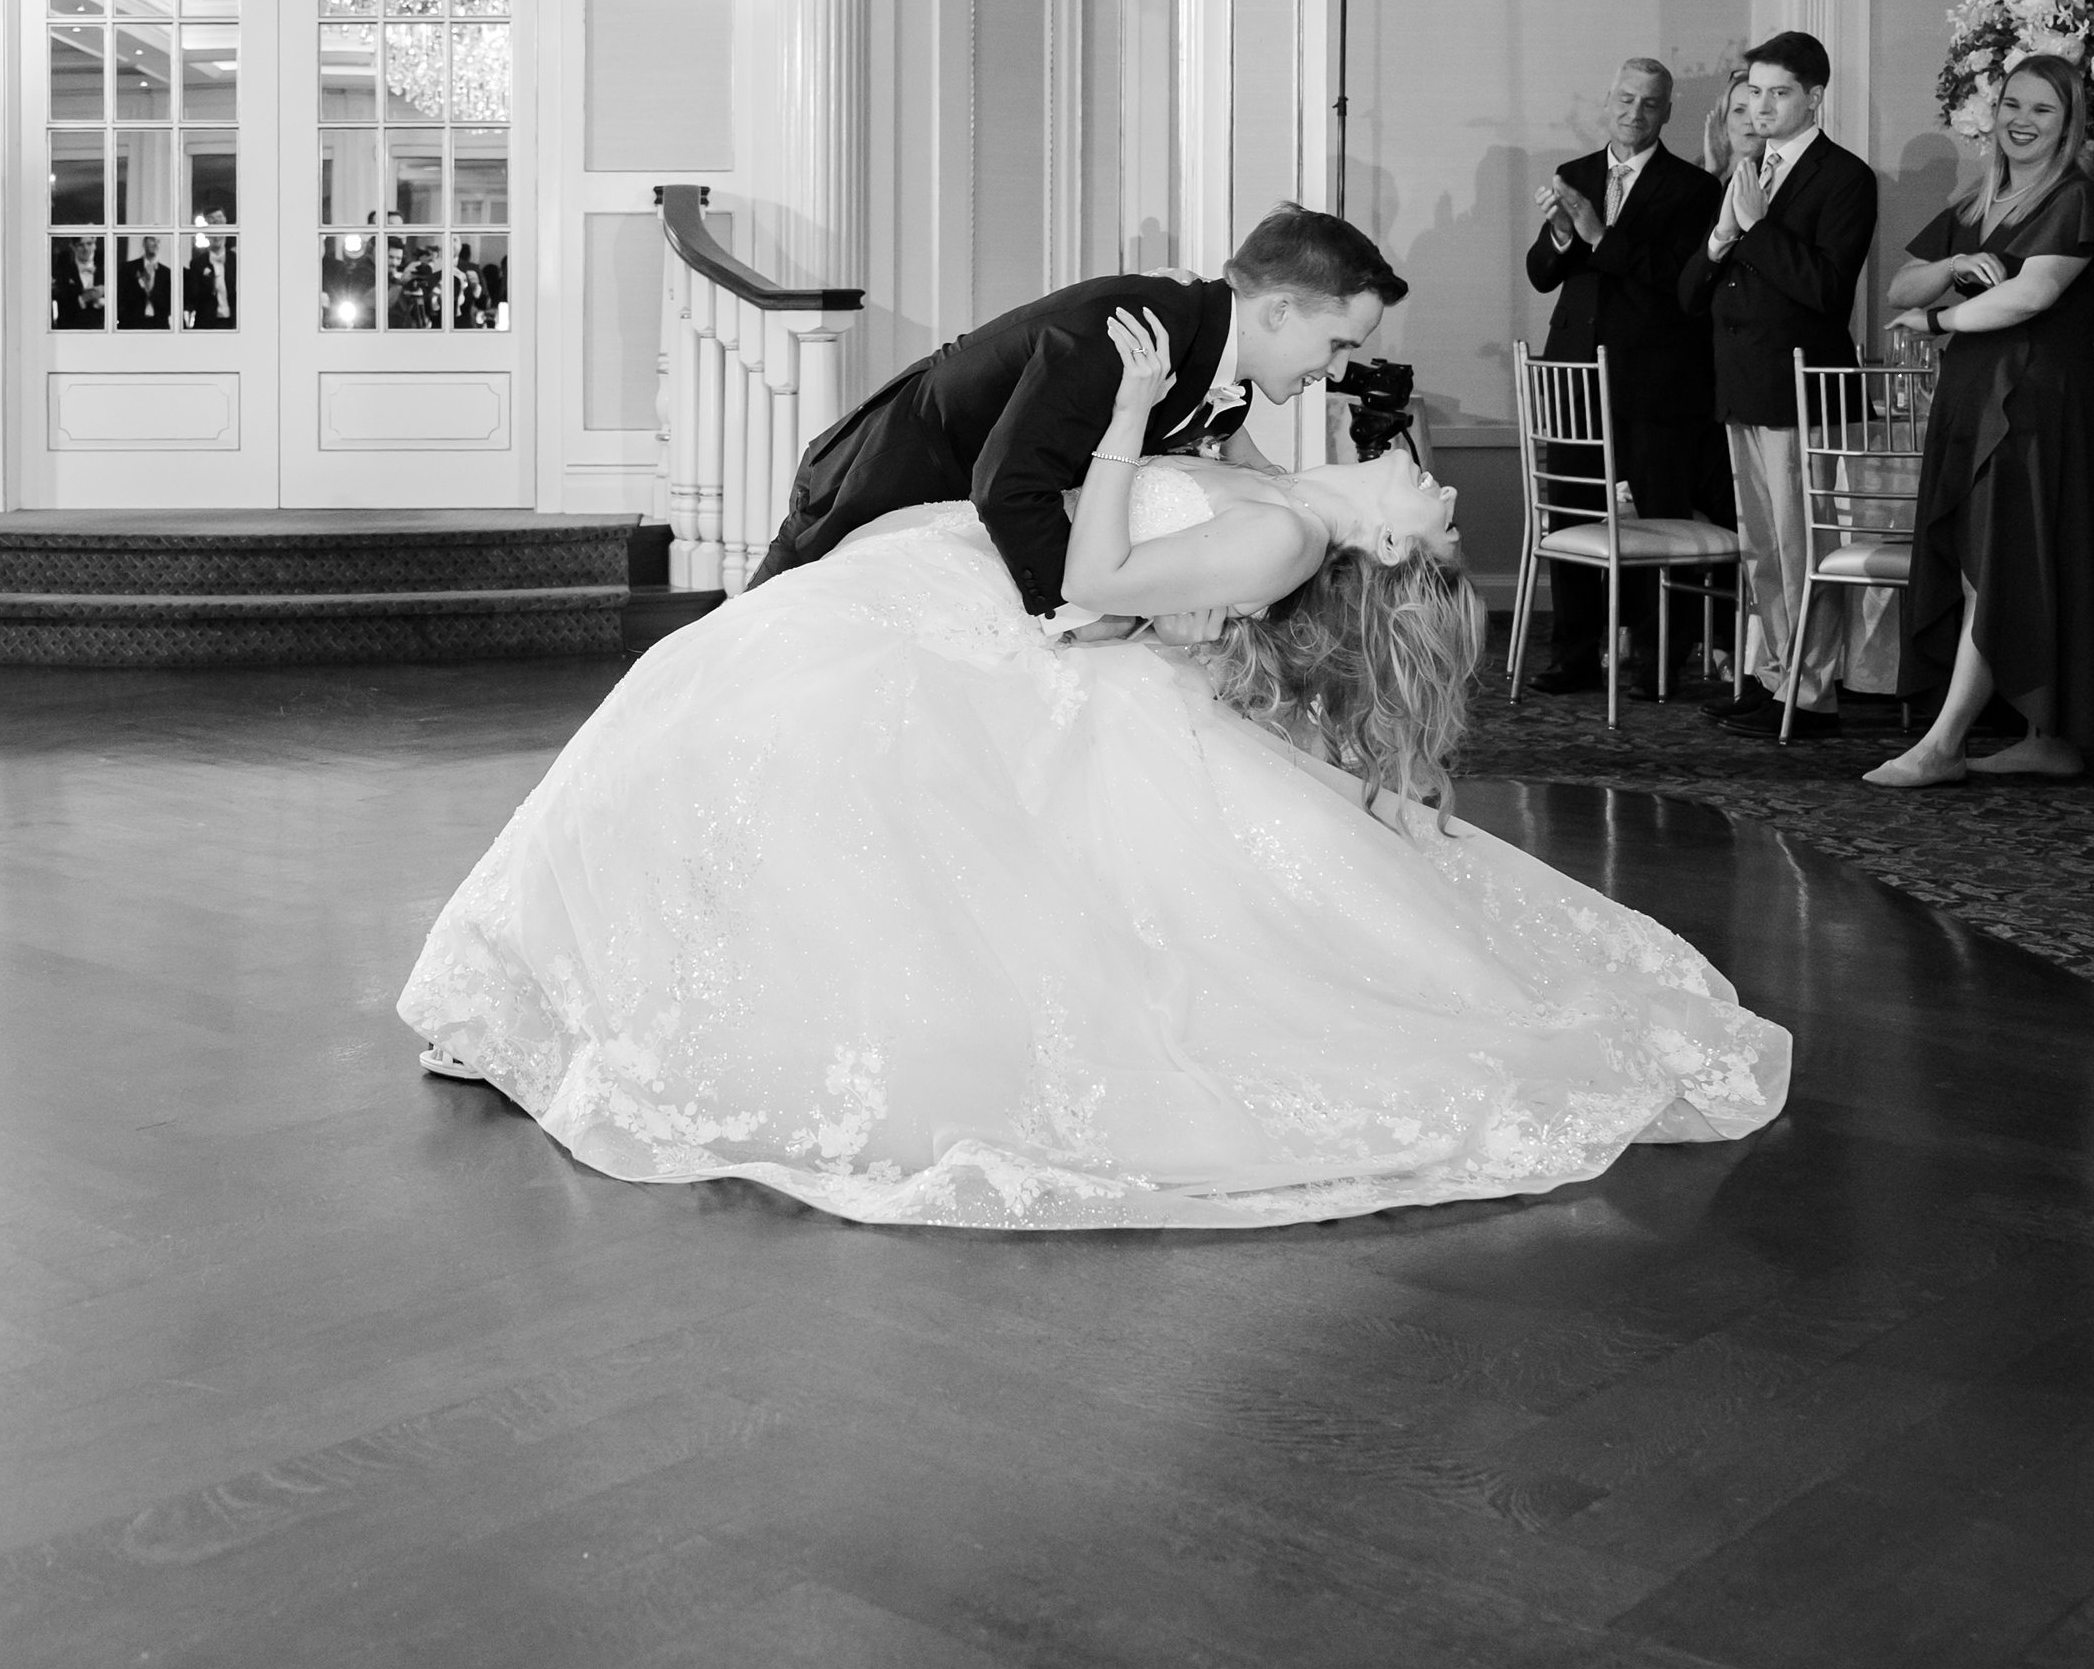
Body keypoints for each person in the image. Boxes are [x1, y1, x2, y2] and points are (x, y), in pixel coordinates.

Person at [402, 308, 1790, 1226]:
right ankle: (576, 971)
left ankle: (592, 983)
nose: (1434, 492)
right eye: (1431, 501)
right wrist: (1197, 401)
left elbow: (1095, 567)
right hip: (962, 588)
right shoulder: (1292, 494)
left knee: (780, 764)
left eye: (1426, 519)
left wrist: (1128, 413)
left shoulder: (1293, 537)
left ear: (1377, 551)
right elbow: (1183, 495)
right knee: (726, 734)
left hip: (992, 614)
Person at [757, 203, 1398, 617]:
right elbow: (1010, 485)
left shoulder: (1218, 360)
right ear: (1280, 310)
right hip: (883, 482)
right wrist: (1080, 612)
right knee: (757, 650)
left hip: (966, 528)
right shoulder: (1135, 334)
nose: (1339, 370)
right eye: (1339, 342)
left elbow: (1217, 448)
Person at [1866, 55, 2094, 789]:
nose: (2021, 119)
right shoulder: (1976, 198)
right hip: (1971, 390)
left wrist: (1935, 316)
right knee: (2003, 553)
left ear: (2071, 121)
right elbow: (1899, 278)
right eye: (2013, 103)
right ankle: (2046, 735)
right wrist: (1956, 264)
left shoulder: (2080, 195)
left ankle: (1946, 742)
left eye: (2042, 109)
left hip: (2032, 398)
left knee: (2001, 558)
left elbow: (2031, 296)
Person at [1679, 33, 1878, 739]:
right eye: (1753, 92)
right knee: (1763, 546)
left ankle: (1811, 688)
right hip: (1741, 381)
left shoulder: (1845, 176)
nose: (1760, 106)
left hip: (1802, 391)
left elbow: (1826, 289)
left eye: (1778, 92)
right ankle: (1774, 676)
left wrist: (1758, 227)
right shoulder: (1747, 168)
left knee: (1802, 545)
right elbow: (1689, 294)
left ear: (1815, 96)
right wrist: (1718, 240)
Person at [1522, 55, 1724, 691]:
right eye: (1626, 100)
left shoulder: (1694, 189)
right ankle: (1573, 655)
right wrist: (1559, 235)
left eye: (1651, 104)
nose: (1635, 113)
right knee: (1573, 514)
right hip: (1576, 372)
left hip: (1659, 377)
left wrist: (1596, 233)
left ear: (1667, 113)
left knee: (1666, 518)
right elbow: (1542, 275)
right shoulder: (1574, 174)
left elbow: (1680, 282)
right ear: (1607, 102)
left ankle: (1659, 656)